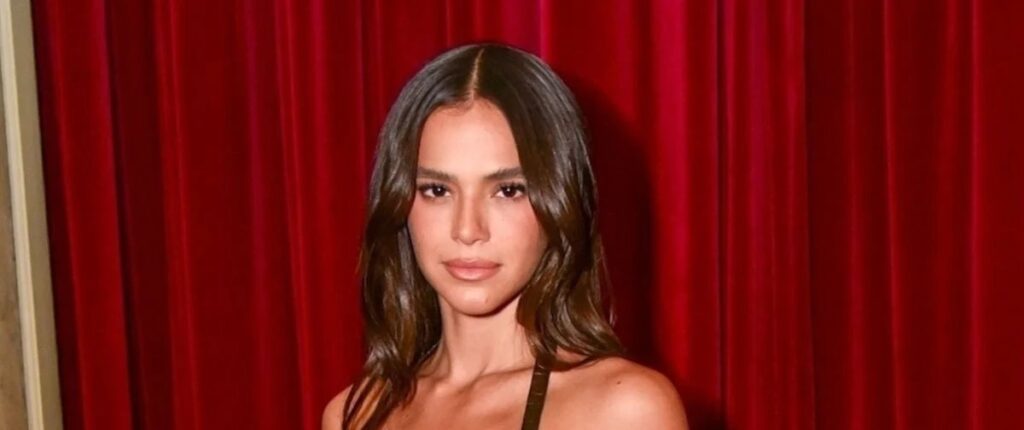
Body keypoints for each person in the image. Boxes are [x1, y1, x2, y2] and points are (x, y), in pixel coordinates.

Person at [322, 43, 688, 430]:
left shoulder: (624, 410)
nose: (467, 230)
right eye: (437, 190)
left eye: (508, 190)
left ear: (559, 202)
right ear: (399, 204)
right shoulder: (355, 415)